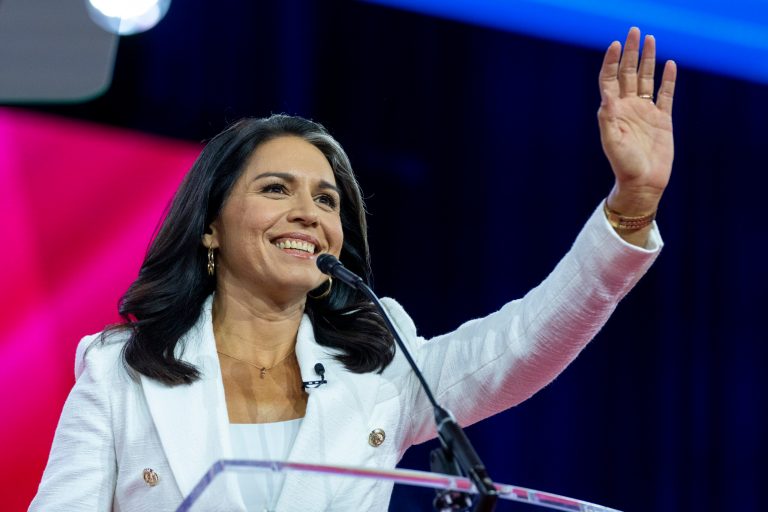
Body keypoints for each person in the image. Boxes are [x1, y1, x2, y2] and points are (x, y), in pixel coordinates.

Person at [30, 27, 676, 511]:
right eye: (277, 189)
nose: (309, 213)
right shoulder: (121, 370)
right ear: (210, 226)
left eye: (327, 198)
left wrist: (630, 207)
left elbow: (520, 343)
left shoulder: (378, 365)